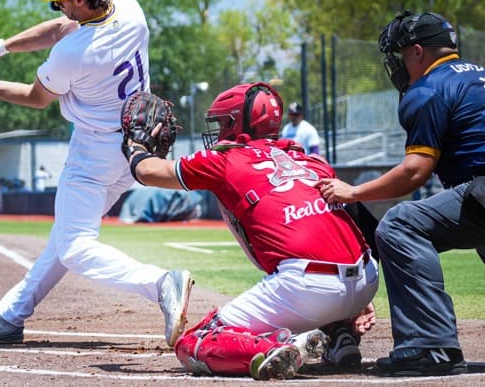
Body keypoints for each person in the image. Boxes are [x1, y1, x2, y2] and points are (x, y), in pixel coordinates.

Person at [0, 0, 193, 348]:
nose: (57, 4)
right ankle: (10, 316)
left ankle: (161, 283)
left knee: (76, 248)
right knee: (65, 237)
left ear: (80, 0)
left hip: (94, 153)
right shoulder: (130, 8)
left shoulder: (73, 53)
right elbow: (61, 27)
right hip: (134, 149)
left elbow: (36, 97)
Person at [317, 10, 485, 376]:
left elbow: (415, 173)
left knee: (399, 226)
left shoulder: (427, 88)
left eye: (401, 54)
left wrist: (354, 191)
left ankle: (429, 347)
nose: (399, 64)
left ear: (418, 51)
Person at [126, 82, 379, 380]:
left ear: (235, 123)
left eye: (222, 123)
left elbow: (147, 172)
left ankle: (279, 347)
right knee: (305, 261)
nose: (219, 132)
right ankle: (339, 334)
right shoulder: (312, 161)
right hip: (366, 280)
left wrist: (135, 146)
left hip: (307, 287)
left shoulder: (225, 159)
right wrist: (356, 298)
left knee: (194, 343)